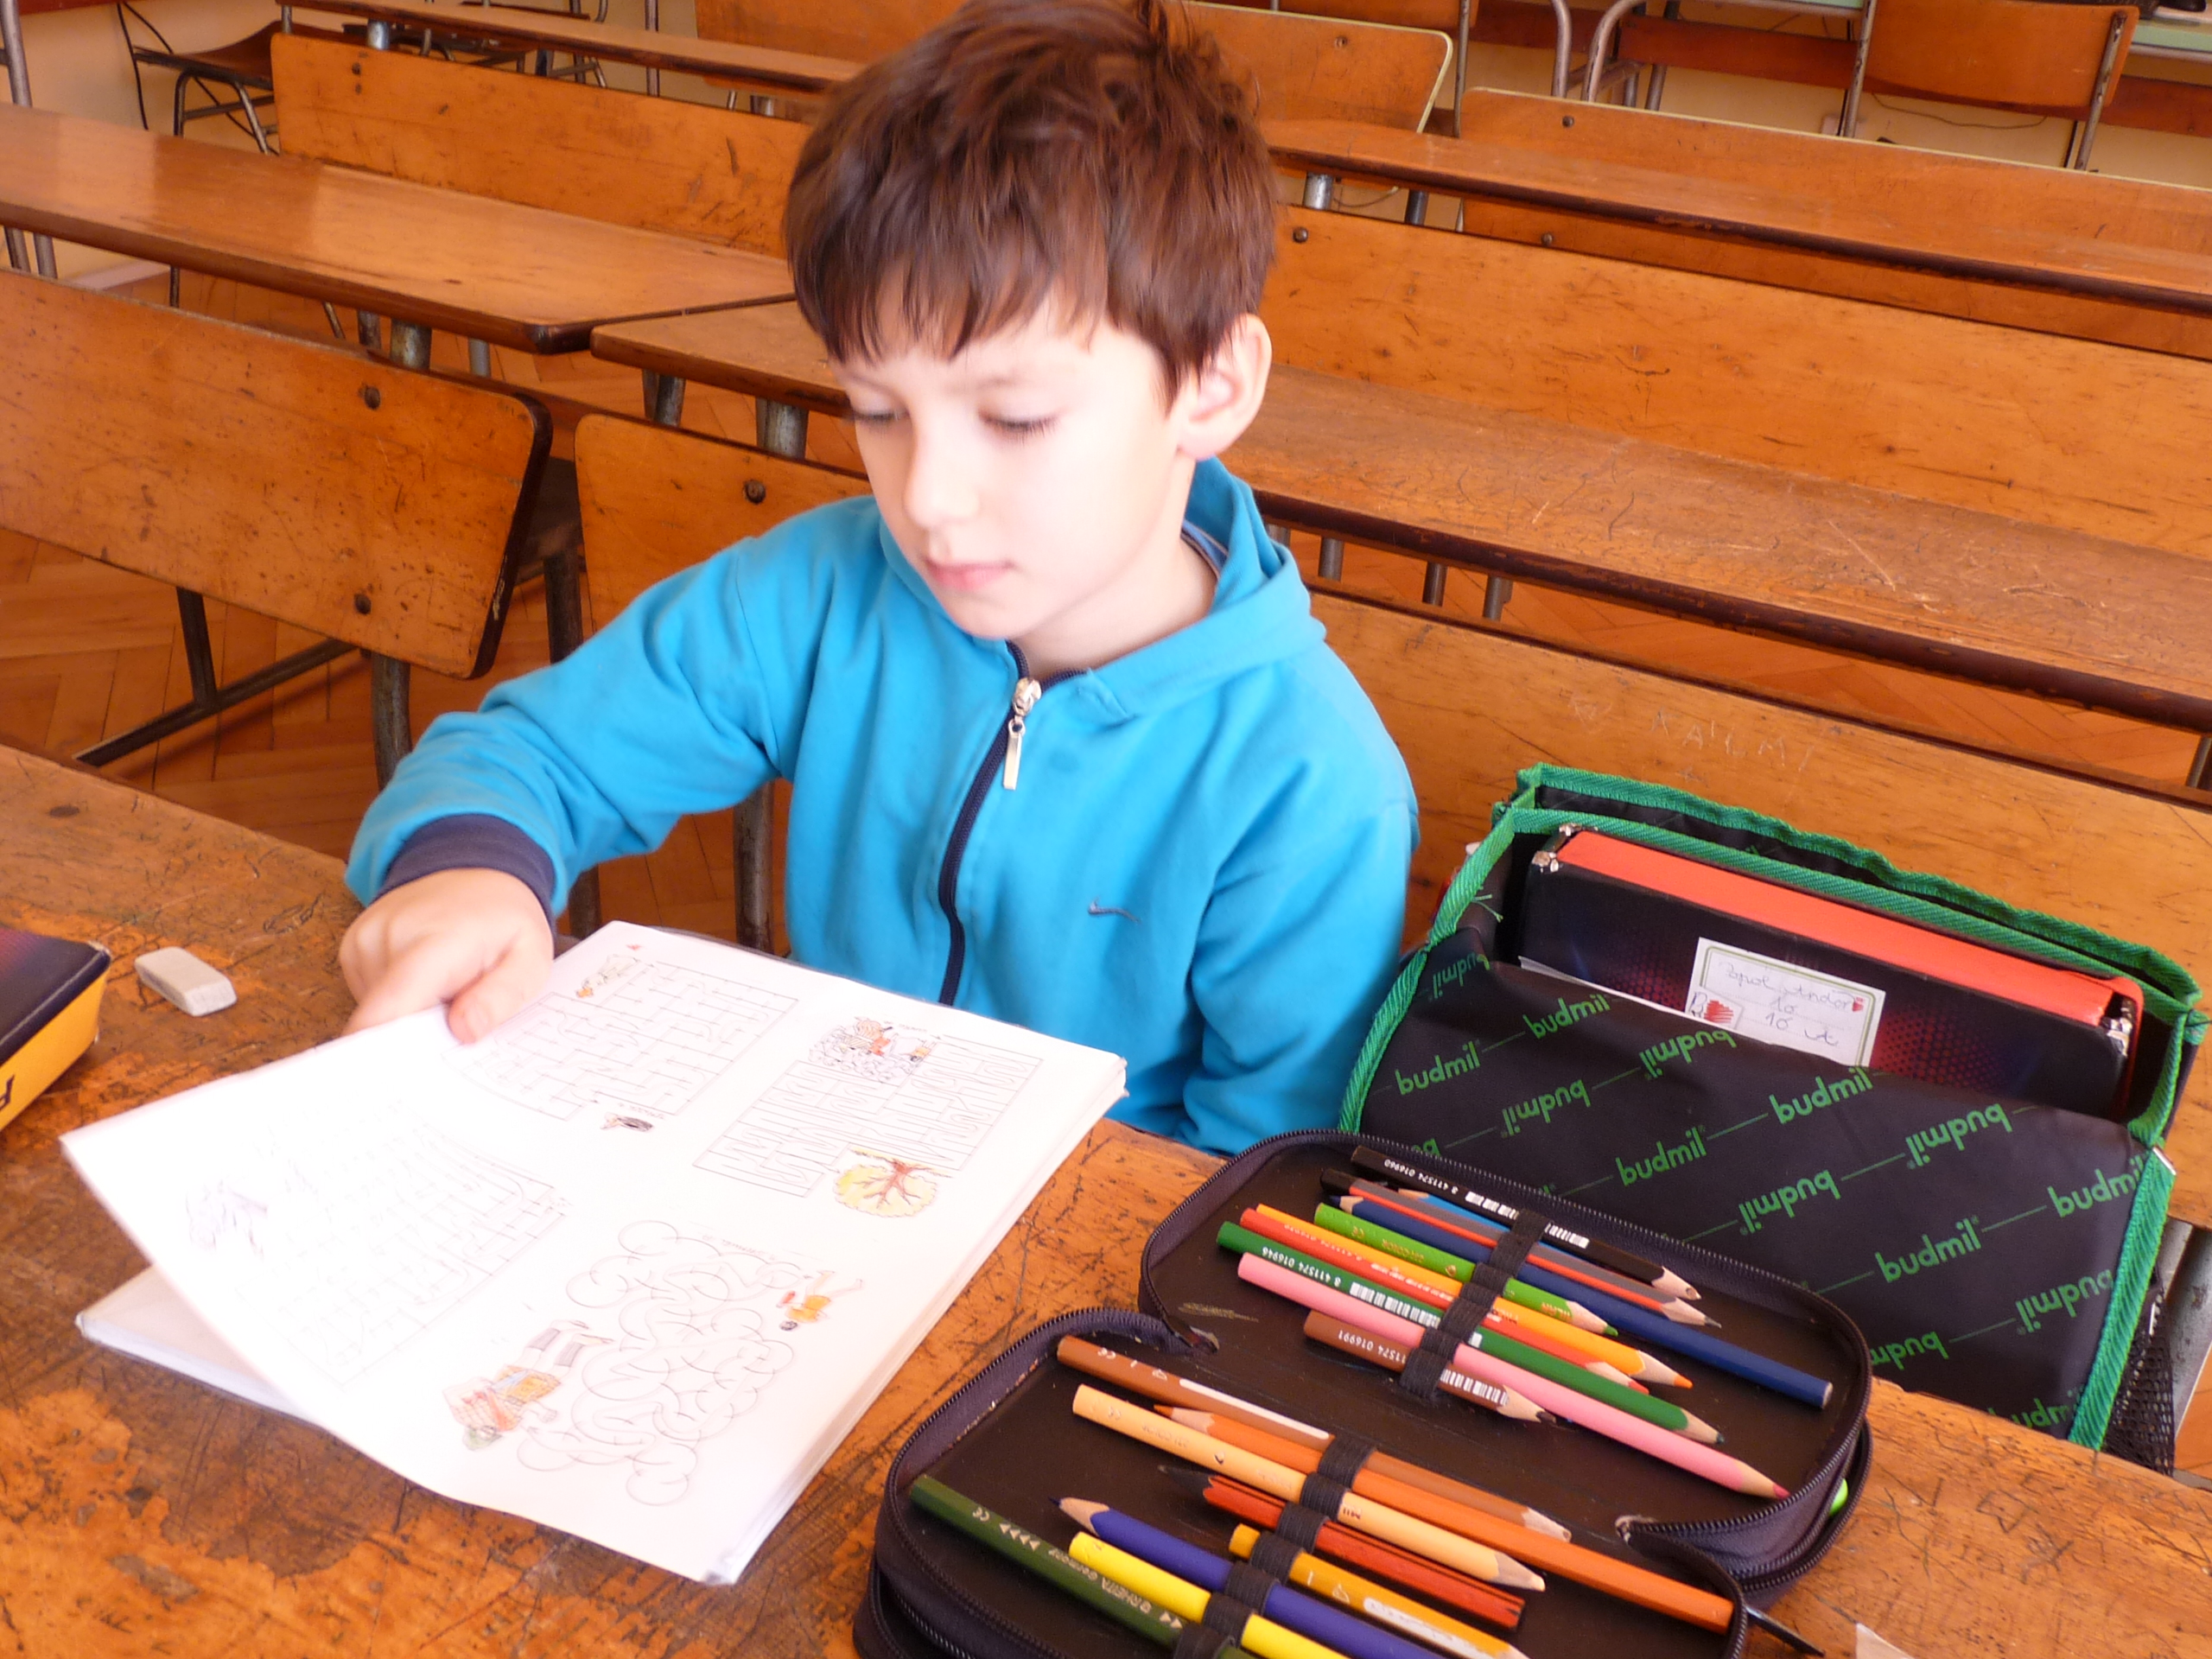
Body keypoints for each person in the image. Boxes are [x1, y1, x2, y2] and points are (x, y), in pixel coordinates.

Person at [338, 0, 1415, 1153]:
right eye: (878, 411)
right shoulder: (821, 591)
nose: (929, 497)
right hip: (806, 1168)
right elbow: (535, 755)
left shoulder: (1311, 785)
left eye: (1015, 417)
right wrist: (472, 869)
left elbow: (1253, 1183)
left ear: (1211, 386)